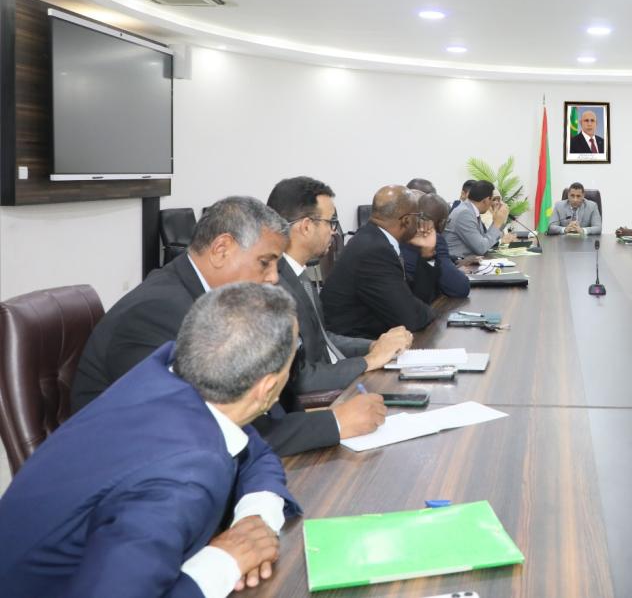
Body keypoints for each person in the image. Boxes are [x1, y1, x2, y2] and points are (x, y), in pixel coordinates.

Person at [0, 284, 302, 596]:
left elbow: (256, 453)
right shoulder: (182, 477)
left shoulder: (168, 373)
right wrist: (225, 562)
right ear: (267, 388)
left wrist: (254, 519)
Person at [71, 196, 386, 456]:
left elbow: (261, 408)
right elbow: (210, 429)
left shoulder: (207, 299)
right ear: (222, 250)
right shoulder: (158, 313)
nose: (273, 278)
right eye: (265, 262)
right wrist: (333, 423)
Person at [267, 176, 413, 393]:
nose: (334, 231)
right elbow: (299, 379)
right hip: (325, 399)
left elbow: (323, 339)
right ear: (306, 227)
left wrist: (374, 345)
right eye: (330, 222)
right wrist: (369, 361)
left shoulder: (296, 274)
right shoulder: (274, 286)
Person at [322, 185, 438, 338]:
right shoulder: (375, 250)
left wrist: (427, 254)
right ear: (406, 220)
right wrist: (433, 312)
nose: (420, 222)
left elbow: (412, 297)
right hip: (353, 344)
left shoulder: (372, 237)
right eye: (418, 216)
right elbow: (411, 318)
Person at [404, 192, 471, 301]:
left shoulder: (403, 234)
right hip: (422, 305)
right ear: (442, 223)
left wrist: (454, 260)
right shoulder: (433, 239)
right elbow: (460, 288)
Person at [445, 179, 516, 258]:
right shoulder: (464, 213)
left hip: (469, 260)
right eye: (492, 199)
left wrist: (501, 221)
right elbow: (481, 248)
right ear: (486, 200)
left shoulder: (471, 210)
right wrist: (497, 223)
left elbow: (485, 241)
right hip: (458, 262)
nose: (492, 204)